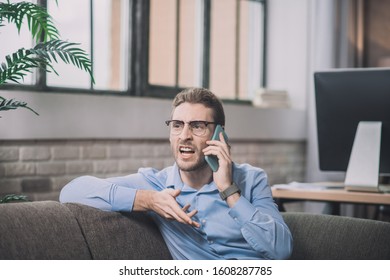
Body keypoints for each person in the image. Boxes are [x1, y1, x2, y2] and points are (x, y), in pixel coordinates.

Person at [60, 87, 293, 260]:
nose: (184, 135)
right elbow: (72, 191)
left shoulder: (252, 179)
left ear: (219, 135)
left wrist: (228, 190)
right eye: (177, 125)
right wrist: (148, 200)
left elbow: (281, 250)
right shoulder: (157, 185)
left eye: (197, 126)